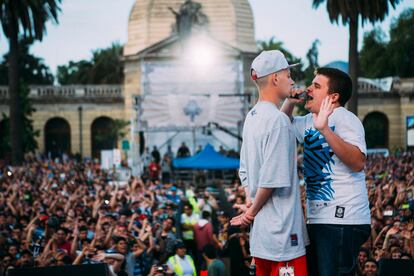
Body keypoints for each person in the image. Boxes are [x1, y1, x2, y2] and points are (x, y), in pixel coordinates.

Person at [282, 67, 371, 276]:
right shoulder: (307, 122)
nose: (309, 89)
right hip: (320, 219)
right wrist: (290, 103)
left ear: (333, 97)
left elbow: (358, 162)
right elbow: (281, 126)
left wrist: (325, 130)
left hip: (342, 219)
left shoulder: (345, 119)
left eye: (316, 86)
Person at [231, 50, 309, 276]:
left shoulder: (252, 117)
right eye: (288, 73)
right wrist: (250, 213)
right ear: (275, 78)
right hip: (284, 237)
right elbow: (272, 178)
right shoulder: (277, 122)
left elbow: (244, 171)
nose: (292, 80)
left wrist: (251, 202)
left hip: (263, 237)